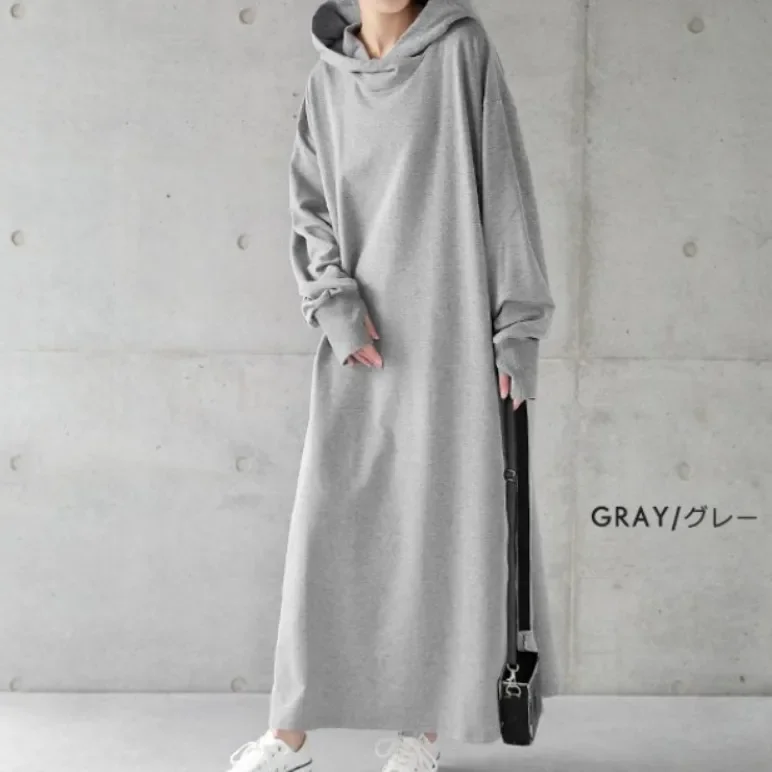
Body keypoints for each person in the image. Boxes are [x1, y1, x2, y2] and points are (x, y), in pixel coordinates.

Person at [224, 0, 555, 770]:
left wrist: (516, 329)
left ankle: (420, 730)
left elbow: (505, 186)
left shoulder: (461, 50)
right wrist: (335, 306)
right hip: (362, 342)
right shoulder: (327, 80)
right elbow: (309, 206)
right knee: (329, 529)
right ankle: (289, 732)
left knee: (436, 529)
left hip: (453, 333)